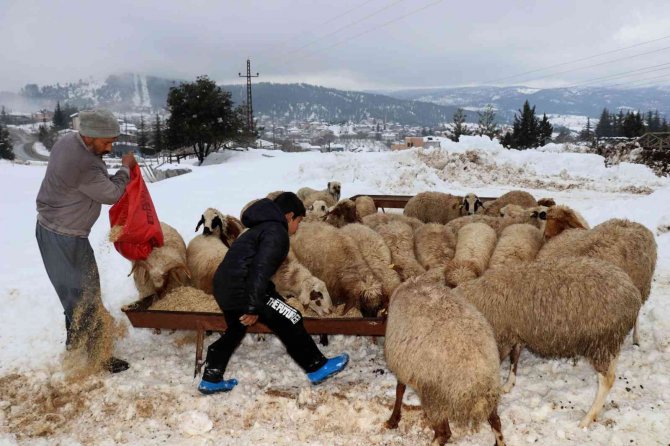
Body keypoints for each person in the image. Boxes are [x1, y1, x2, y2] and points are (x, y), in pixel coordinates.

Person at [199, 192, 349, 394]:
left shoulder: (260, 229)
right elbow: (259, 270)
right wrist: (252, 306)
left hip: (225, 287)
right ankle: (317, 366)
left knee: (236, 329)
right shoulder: (277, 233)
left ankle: (211, 378)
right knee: (291, 317)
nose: (298, 227)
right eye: (299, 220)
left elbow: (253, 268)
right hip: (244, 288)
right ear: (289, 216)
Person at [35, 108, 137, 373]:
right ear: (89, 136)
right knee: (82, 298)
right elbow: (112, 193)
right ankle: (97, 356)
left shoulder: (69, 140)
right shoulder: (83, 163)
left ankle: (77, 345)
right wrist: (126, 168)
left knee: (80, 294)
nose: (110, 146)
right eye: (107, 141)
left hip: (63, 233)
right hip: (62, 237)